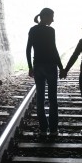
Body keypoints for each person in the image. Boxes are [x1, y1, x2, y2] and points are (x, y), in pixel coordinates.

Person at [26, 8, 63, 136]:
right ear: (45, 17)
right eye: (52, 17)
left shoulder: (33, 30)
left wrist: (30, 67)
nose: (53, 20)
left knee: (40, 98)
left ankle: (43, 129)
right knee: (53, 99)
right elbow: (54, 50)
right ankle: (53, 130)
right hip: (51, 67)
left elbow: (28, 49)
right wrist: (61, 67)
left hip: (38, 66)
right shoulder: (50, 31)